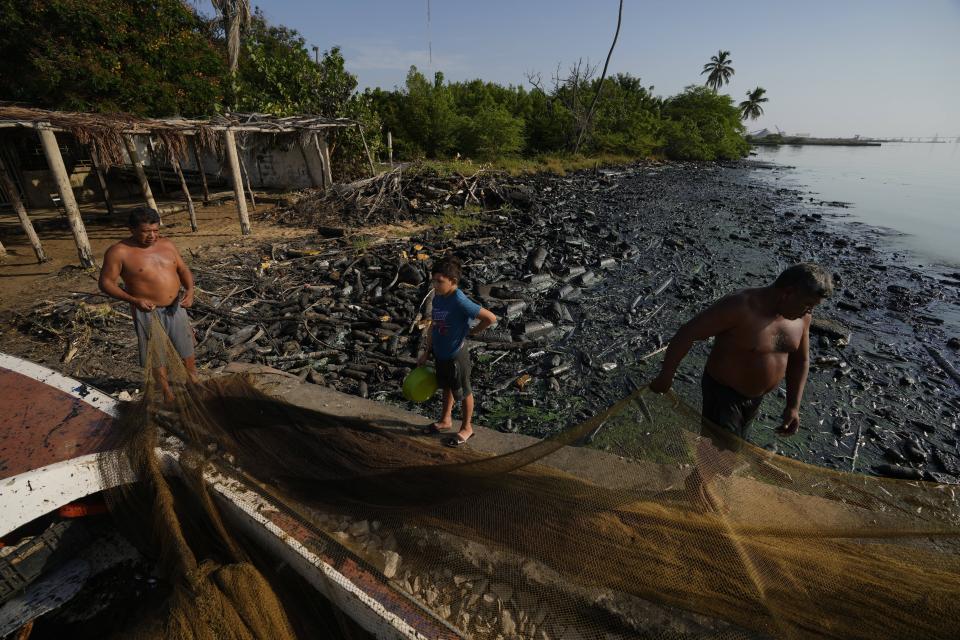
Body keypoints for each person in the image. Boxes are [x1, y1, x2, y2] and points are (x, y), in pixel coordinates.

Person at [649, 263, 832, 507]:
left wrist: (793, 406)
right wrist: (666, 375)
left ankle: (699, 482)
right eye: (807, 304)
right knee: (723, 450)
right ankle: (696, 486)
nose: (809, 311)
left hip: (755, 397)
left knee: (728, 449)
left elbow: (801, 360)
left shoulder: (802, 317)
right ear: (787, 293)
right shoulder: (740, 306)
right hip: (723, 391)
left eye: (812, 307)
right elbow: (688, 332)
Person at [99, 207, 198, 400]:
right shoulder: (119, 252)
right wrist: (134, 300)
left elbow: (183, 269)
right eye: (146, 232)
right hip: (147, 311)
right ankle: (167, 392)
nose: (152, 236)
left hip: (176, 306)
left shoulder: (167, 245)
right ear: (132, 229)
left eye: (156, 230)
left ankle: (193, 381)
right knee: (156, 353)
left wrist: (190, 290)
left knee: (186, 347)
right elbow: (105, 283)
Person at [417, 256, 497, 447]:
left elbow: (490, 318)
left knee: (464, 391)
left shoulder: (459, 300)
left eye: (440, 281)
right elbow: (434, 326)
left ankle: (467, 427)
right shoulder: (438, 298)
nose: (435, 285)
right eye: (434, 281)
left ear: (452, 282)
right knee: (446, 386)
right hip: (440, 353)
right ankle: (446, 420)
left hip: (456, 355)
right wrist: (426, 351)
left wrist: (472, 332)